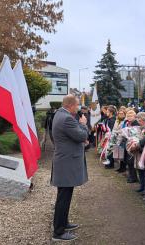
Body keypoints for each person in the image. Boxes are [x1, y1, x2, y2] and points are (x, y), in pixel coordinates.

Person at [51, 95, 89, 241]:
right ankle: (58, 232)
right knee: (63, 198)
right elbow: (81, 136)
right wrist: (84, 124)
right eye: (77, 105)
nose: (78, 108)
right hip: (66, 163)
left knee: (65, 196)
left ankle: (63, 223)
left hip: (65, 162)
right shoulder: (66, 118)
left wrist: (80, 129)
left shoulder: (60, 114)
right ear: (70, 105)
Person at [134, 112, 145, 196]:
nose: (138, 121)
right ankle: (142, 186)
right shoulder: (139, 128)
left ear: (144, 120)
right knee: (140, 170)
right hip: (139, 151)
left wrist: (139, 145)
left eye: (139, 120)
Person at [124, 109, 139, 183]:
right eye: (128, 116)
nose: (129, 117)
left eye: (131, 116)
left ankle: (133, 177)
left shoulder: (136, 123)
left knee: (131, 161)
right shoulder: (128, 123)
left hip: (133, 143)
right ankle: (131, 175)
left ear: (134, 116)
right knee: (129, 161)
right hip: (128, 143)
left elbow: (136, 134)